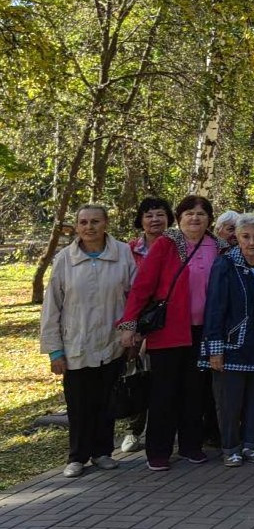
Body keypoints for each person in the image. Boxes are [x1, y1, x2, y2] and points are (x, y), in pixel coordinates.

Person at [118, 195, 221, 471]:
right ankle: (158, 451)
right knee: (164, 393)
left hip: (203, 332)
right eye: (189, 213)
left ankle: (191, 445)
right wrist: (130, 324)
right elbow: (143, 285)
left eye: (201, 213)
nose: (195, 218)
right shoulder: (167, 244)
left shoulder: (219, 247)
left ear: (209, 218)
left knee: (195, 392)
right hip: (168, 331)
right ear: (179, 218)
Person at [40, 204, 137, 478]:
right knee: (80, 404)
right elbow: (52, 307)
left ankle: (102, 452)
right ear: (77, 226)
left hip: (112, 342)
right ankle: (78, 457)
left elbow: (135, 298)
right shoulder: (64, 259)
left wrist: (131, 336)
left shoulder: (123, 254)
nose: (89, 227)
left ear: (106, 223)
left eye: (95, 221)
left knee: (106, 401)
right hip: (76, 344)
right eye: (83, 222)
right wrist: (54, 351)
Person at [201, 214, 254, 467]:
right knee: (229, 402)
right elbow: (214, 308)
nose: (252, 242)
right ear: (237, 238)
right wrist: (215, 349)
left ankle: (251, 444)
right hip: (234, 344)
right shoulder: (225, 264)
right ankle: (230, 447)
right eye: (246, 237)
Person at [122, 195, 174, 453]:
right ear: (140, 220)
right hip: (134, 320)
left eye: (160, 214)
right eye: (149, 215)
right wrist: (130, 326)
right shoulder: (129, 250)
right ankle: (134, 428)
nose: (155, 219)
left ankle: (163, 430)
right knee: (135, 375)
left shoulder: (178, 245)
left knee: (161, 378)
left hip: (165, 321)